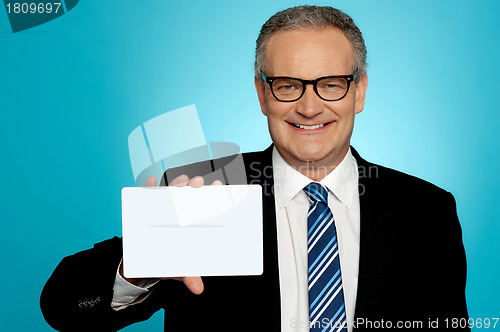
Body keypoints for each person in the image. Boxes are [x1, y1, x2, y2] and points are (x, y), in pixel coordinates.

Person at [40, 5, 469, 332]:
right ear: (262, 95)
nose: (309, 105)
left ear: (359, 91)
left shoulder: (427, 210)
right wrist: (145, 262)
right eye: (287, 85)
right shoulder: (202, 190)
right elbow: (63, 306)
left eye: (332, 84)